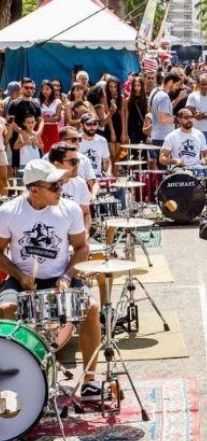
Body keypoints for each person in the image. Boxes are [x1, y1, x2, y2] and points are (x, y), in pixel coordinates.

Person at [0, 159, 104, 401]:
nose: (61, 189)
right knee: (6, 310)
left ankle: (89, 380)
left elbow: (81, 248)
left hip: (61, 276)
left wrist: (67, 276)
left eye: (60, 184)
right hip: (22, 278)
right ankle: (17, 378)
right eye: (54, 186)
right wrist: (19, 275)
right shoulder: (7, 213)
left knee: (92, 309)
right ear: (34, 189)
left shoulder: (70, 209)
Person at [159, 108, 207, 201]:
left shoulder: (199, 134)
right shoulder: (172, 136)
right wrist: (174, 160)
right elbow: (162, 158)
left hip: (196, 170)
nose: (190, 120)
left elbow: (206, 154)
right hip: (178, 170)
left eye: (191, 117)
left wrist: (205, 160)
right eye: (186, 117)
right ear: (179, 119)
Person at [49, 143, 92, 233]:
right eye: (73, 162)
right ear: (57, 164)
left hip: (74, 236)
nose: (77, 165)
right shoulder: (44, 185)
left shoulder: (80, 183)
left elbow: (85, 214)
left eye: (77, 161)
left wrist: (85, 234)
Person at [149, 71, 181, 170]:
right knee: (165, 171)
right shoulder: (164, 97)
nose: (177, 88)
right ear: (170, 82)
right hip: (163, 138)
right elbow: (163, 118)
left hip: (158, 136)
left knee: (162, 170)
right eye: (177, 85)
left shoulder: (156, 92)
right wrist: (176, 119)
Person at [39, 80, 62, 153]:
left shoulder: (58, 102)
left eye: (47, 89)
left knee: (54, 150)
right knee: (43, 150)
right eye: (43, 89)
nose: (45, 91)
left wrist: (43, 118)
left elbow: (58, 118)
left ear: (52, 90)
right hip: (41, 129)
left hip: (53, 129)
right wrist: (52, 118)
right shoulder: (37, 102)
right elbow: (38, 118)